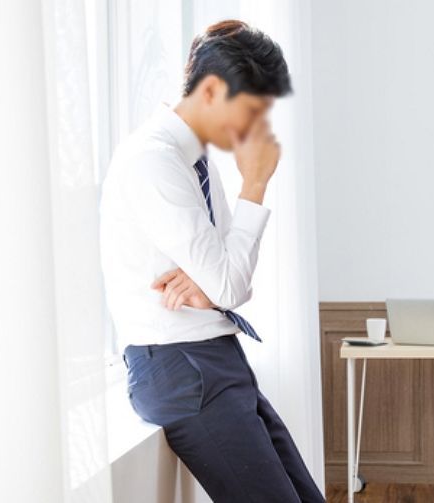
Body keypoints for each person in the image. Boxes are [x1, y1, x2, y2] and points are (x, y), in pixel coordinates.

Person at [99, 19, 324, 502]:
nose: (254, 129)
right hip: (181, 367)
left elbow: (225, 275)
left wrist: (211, 284)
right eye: (251, 110)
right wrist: (256, 184)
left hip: (218, 360)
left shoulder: (193, 160)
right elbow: (230, 281)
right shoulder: (153, 160)